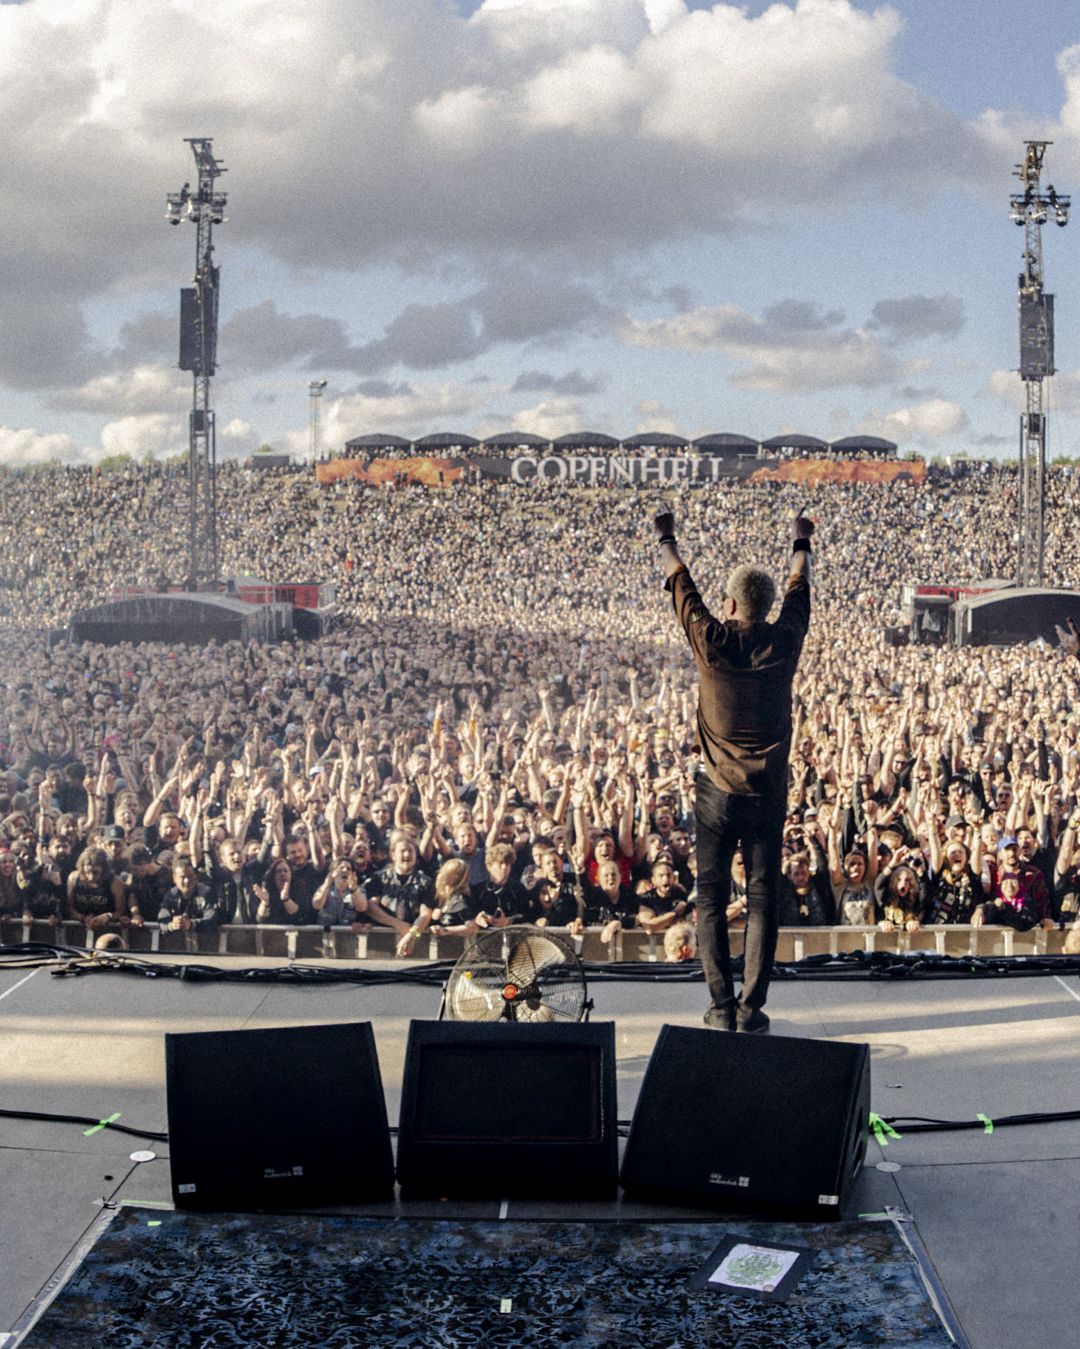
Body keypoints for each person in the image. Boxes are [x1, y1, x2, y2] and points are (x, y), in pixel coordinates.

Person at [655, 504, 813, 1033]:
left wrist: (667, 537)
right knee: (764, 897)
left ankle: (720, 1005)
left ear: (729, 605)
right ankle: (752, 1009)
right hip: (767, 792)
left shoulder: (712, 641)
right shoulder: (784, 640)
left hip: (717, 792)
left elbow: (682, 586)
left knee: (712, 895)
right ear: (765, 608)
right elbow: (799, 588)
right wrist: (801, 542)